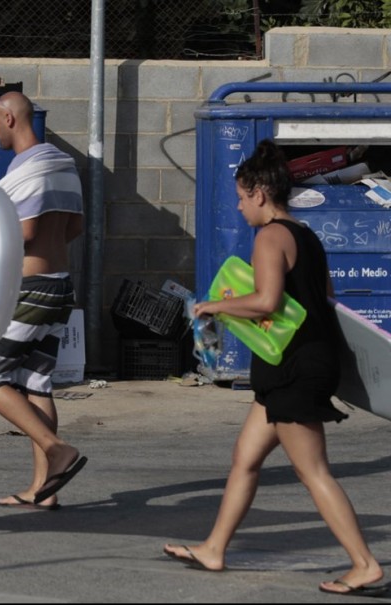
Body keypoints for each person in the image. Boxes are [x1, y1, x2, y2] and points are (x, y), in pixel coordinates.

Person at [163, 139, 385, 596]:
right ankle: (214, 548)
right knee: (245, 459)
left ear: (260, 194)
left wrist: (214, 306)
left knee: (313, 471)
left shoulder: (270, 236)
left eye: (242, 198)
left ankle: (364, 564)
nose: (241, 208)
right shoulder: (306, 235)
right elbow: (328, 302)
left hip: (292, 367)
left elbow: (267, 299)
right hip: (298, 362)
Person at [0, 92, 87, 510]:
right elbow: (73, 228)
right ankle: (42, 490)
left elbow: (26, 232)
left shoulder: (32, 168)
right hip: (59, 285)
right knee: (35, 382)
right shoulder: (63, 165)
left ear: (11, 118)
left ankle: (56, 448)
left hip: (30, 291)